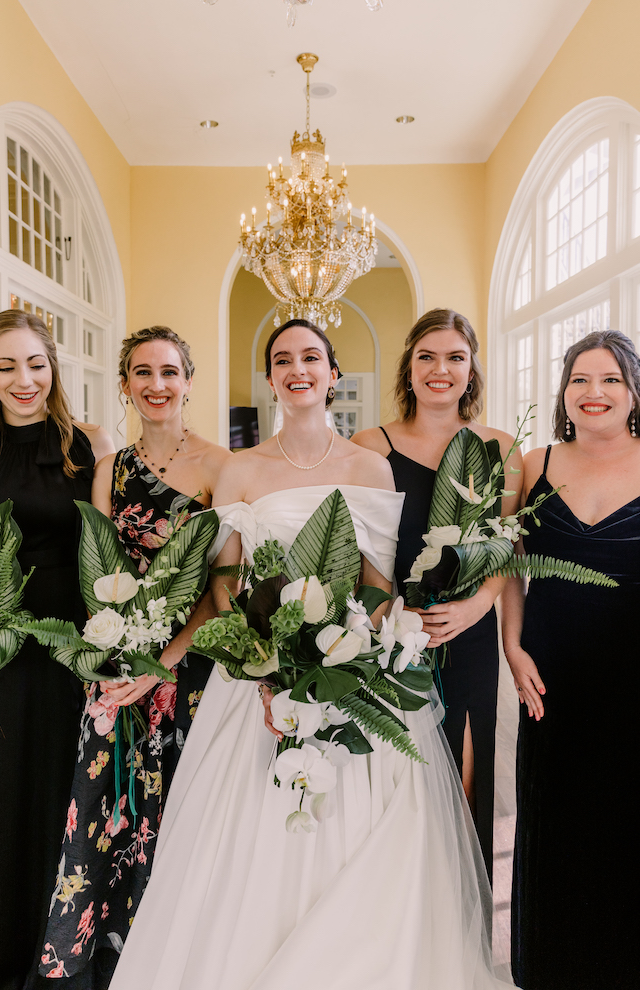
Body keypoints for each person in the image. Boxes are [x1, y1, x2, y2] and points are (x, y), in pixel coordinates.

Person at [109, 318, 515, 990]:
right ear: (271, 377)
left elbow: (377, 582)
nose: (298, 370)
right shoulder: (240, 471)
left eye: (311, 359)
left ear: (331, 374)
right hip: (258, 679)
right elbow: (222, 585)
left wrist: (365, 655)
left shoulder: (368, 465)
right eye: (283, 360)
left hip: (351, 670)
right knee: (247, 843)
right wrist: (242, 662)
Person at [35, 326, 230, 986]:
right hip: (117, 670)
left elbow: (220, 589)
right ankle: (112, 955)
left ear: (188, 380)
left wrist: (163, 664)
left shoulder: (219, 466)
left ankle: (179, 959)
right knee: (106, 816)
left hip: (185, 667)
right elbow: (99, 573)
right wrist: (114, 658)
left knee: (180, 811)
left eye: (169, 372)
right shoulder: (108, 469)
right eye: (142, 373)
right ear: (125, 384)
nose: (156, 385)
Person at [352, 308, 521, 878]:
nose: (440, 370)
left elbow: (508, 549)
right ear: (408, 368)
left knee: (467, 780)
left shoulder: (500, 447)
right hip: (390, 637)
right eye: (426, 356)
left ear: (471, 370)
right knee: (400, 787)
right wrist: (387, 622)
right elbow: (361, 554)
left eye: (455, 357)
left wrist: (476, 608)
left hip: (468, 635)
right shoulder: (370, 445)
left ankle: (467, 936)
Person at [501, 329, 640, 990]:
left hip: (632, 674)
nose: (594, 392)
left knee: (625, 821)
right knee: (555, 818)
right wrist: (511, 644)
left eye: (610, 378)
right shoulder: (534, 465)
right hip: (550, 671)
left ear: (633, 390)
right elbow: (508, 565)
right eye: (580, 379)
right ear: (563, 392)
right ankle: (551, 969)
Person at [0, 309, 114, 990]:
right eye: (7, 366)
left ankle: (58, 956)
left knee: (63, 798)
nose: (24, 379)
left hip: (69, 651)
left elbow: (105, 552)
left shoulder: (84, 446)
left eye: (35, 363)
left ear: (53, 366)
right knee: (0, 800)